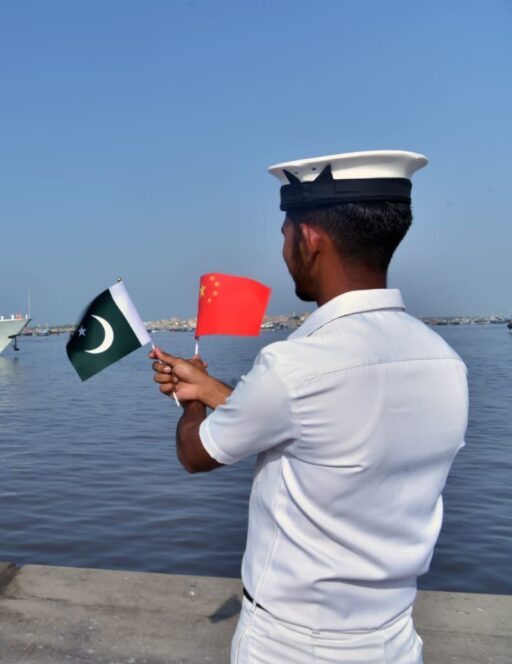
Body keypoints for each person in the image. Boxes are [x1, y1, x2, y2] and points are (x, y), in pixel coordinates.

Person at [150, 151, 467, 663]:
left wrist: (189, 402)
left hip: (293, 646)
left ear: (309, 239)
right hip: (395, 640)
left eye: (284, 235)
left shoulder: (294, 366)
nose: (283, 249)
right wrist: (212, 388)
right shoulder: (445, 362)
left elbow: (197, 453)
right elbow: (331, 436)